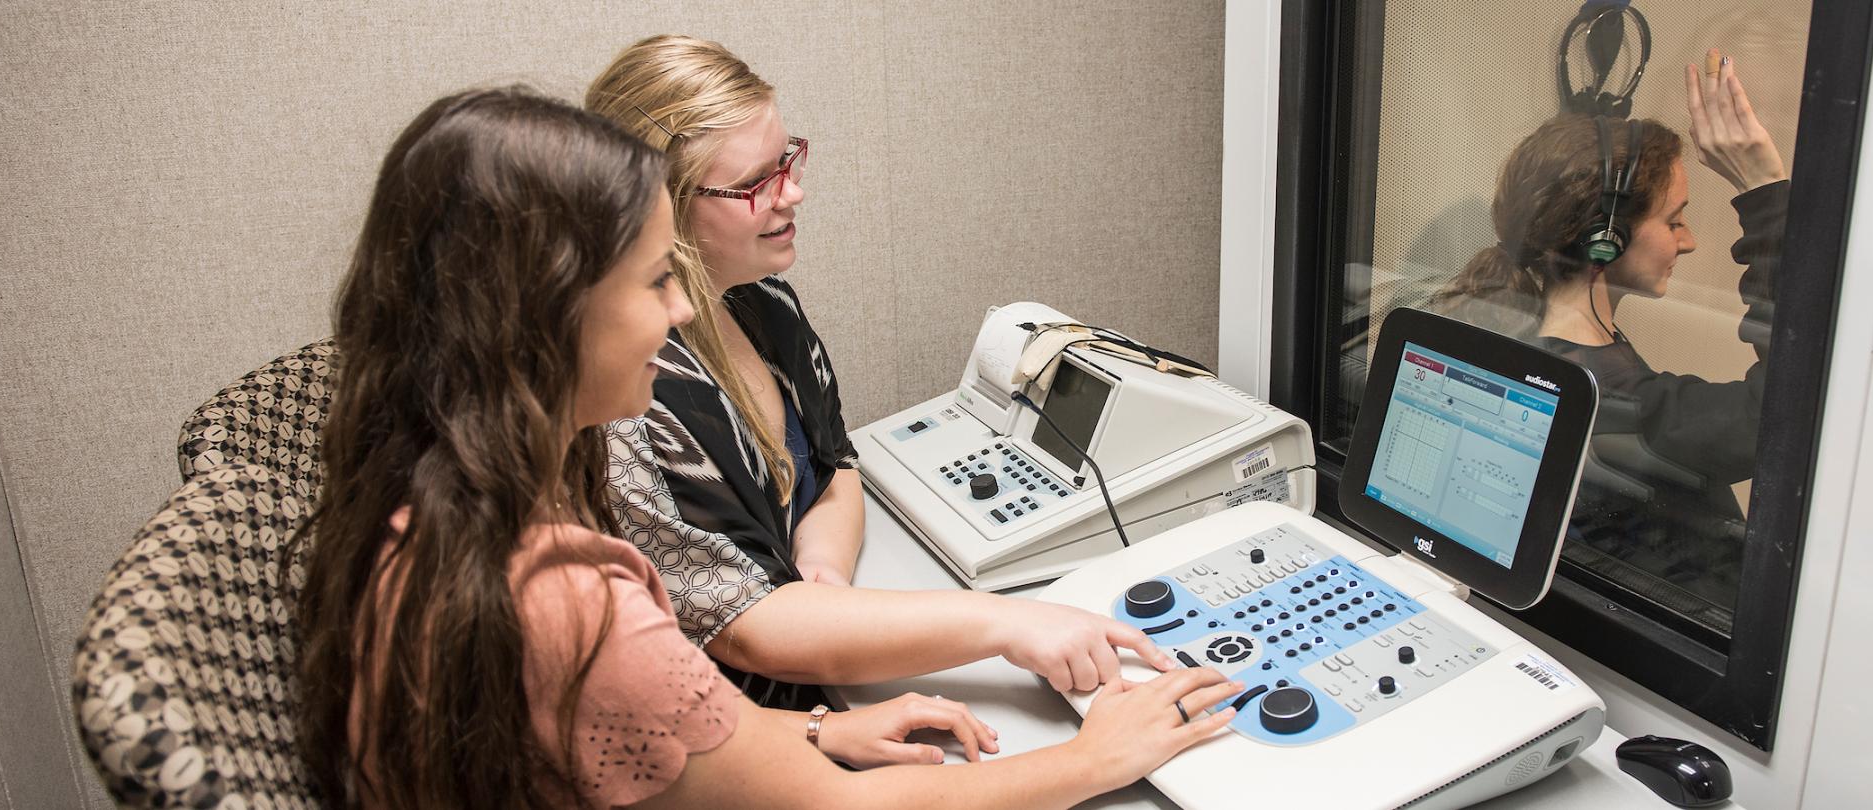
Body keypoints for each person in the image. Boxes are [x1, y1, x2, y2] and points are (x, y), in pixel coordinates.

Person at [291, 86, 1241, 810]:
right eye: (658, 280)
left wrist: (816, 729)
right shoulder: (566, 606)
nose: (678, 310)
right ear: (549, 312)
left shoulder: (417, 504)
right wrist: (1089, 759)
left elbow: (653, 732)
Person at [584, 35, 1170, 711]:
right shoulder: (630, 384)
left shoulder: (760, 299)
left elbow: (837, 465)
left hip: (822, 670)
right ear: (659, 205)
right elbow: (746, 627)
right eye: (755, 183)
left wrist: (824, 574)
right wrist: (1007, 623)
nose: (793, 192)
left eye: (788, 161)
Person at [1426, 52, 1788, 615]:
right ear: (1606, 238)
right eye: (1673, 221)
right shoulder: (1619, 406)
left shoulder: (1509, 341)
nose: (1688, 241)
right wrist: (1766, 192)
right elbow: (1789, 412)